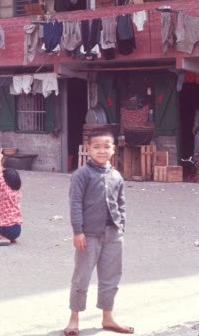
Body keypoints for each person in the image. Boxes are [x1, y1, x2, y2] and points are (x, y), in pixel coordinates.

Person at [63, 128, 133, 336]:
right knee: (81, 277)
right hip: (89, 236)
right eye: (96, 147)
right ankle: (74, 319)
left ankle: (108, 318)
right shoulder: (81, 175)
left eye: (106, 146)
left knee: (111, 277)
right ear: (88, 149)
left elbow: (121, 203)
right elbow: (75, 204)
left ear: (113, 148)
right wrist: (78, 232)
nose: (101, 151)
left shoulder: (116, 175)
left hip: (113, 235)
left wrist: (121, 225)